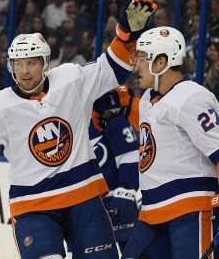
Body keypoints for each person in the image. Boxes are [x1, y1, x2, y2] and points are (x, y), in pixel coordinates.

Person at [0, 0, 157, 259]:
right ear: (11, 66)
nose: (25, 71)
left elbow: (112, 69)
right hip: (33, 206)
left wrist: (127, 36)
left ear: (45, 64)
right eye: (19, 64)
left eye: (32, 63)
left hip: (84, 196)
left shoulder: (70, 79)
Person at [92, 26, 219, 259]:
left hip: (189, 210)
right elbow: (146, 113)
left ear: (161, 62)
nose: (136, 66)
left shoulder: (192, 97)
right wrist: (115, 104)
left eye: (142, 58)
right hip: (152, 214)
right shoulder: (153, 96)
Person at [89, 110, 140, 253]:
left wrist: (125, 192)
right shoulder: (67, 119)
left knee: (134, 252)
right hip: (87, 207)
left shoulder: (106, 116)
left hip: (117, 202)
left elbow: (130, 155)